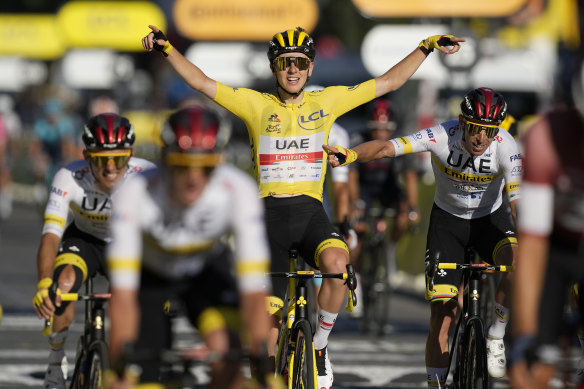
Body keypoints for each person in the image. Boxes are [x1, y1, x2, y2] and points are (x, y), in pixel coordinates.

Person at [142, 24, 463, 388]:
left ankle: (321, 348)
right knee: (266, 338)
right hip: (267, 220)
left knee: (339, 268)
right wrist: (167, 50)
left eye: (299, 63)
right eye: (284, 63)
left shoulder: (326, 101)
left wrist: (425, 47)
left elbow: (388, 83)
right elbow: (200, 82)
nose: (292, 70)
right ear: (273, 68)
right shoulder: (254, 104)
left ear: (310, 68)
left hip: (310, 214)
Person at [325, 87, 521, 387]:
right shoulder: (441, 135)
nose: (482, 138)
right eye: (476, 129)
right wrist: (351, 154)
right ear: (461, 122)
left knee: (517, 261)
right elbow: (386, 148)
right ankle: (435, 383)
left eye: (489, 131)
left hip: (489, 222)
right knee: (442, 316)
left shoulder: (506, 145)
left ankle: (496, 335)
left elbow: (518, 206)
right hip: (448, 225)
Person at [105, 106, 273, 389]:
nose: (194, 178)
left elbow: (254, 290)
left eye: (206, 167)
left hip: (204, 269)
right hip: (151, 277)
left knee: (228, 357)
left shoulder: (238, 191)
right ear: (164, 161)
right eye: (182, 166)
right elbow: (122, 295)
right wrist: (118, 365)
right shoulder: (133, 194)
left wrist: (263, 367)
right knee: (142, 377)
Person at [32, 113, 155, 389]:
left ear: (131, 154)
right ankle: (55, 363)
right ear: (87, 156)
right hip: (84, 240)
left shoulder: (148, 176)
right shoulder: (69, 177)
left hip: (126, 246)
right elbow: (51, 236)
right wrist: (44, 283)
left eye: (119, 159)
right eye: (101, 160)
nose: (110, 168)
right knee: (62, 284)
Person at [508, 105, 584, 389]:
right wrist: (525, 339)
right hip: (559, 246)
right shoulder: (546, 135)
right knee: (532, 369)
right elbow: (533, 243)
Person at [348, 98, 421, 288]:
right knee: (358, 233)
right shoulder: (358, 140)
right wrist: (355, 203)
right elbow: (352, 176)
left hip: (388, 187)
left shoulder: (400, 141)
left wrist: (413, 206)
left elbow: (410, 175)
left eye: (386, 128)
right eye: (376, 128)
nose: (381, 133)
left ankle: (390, 249)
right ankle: (357, 282)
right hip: (364, 188)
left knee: (403, 215)